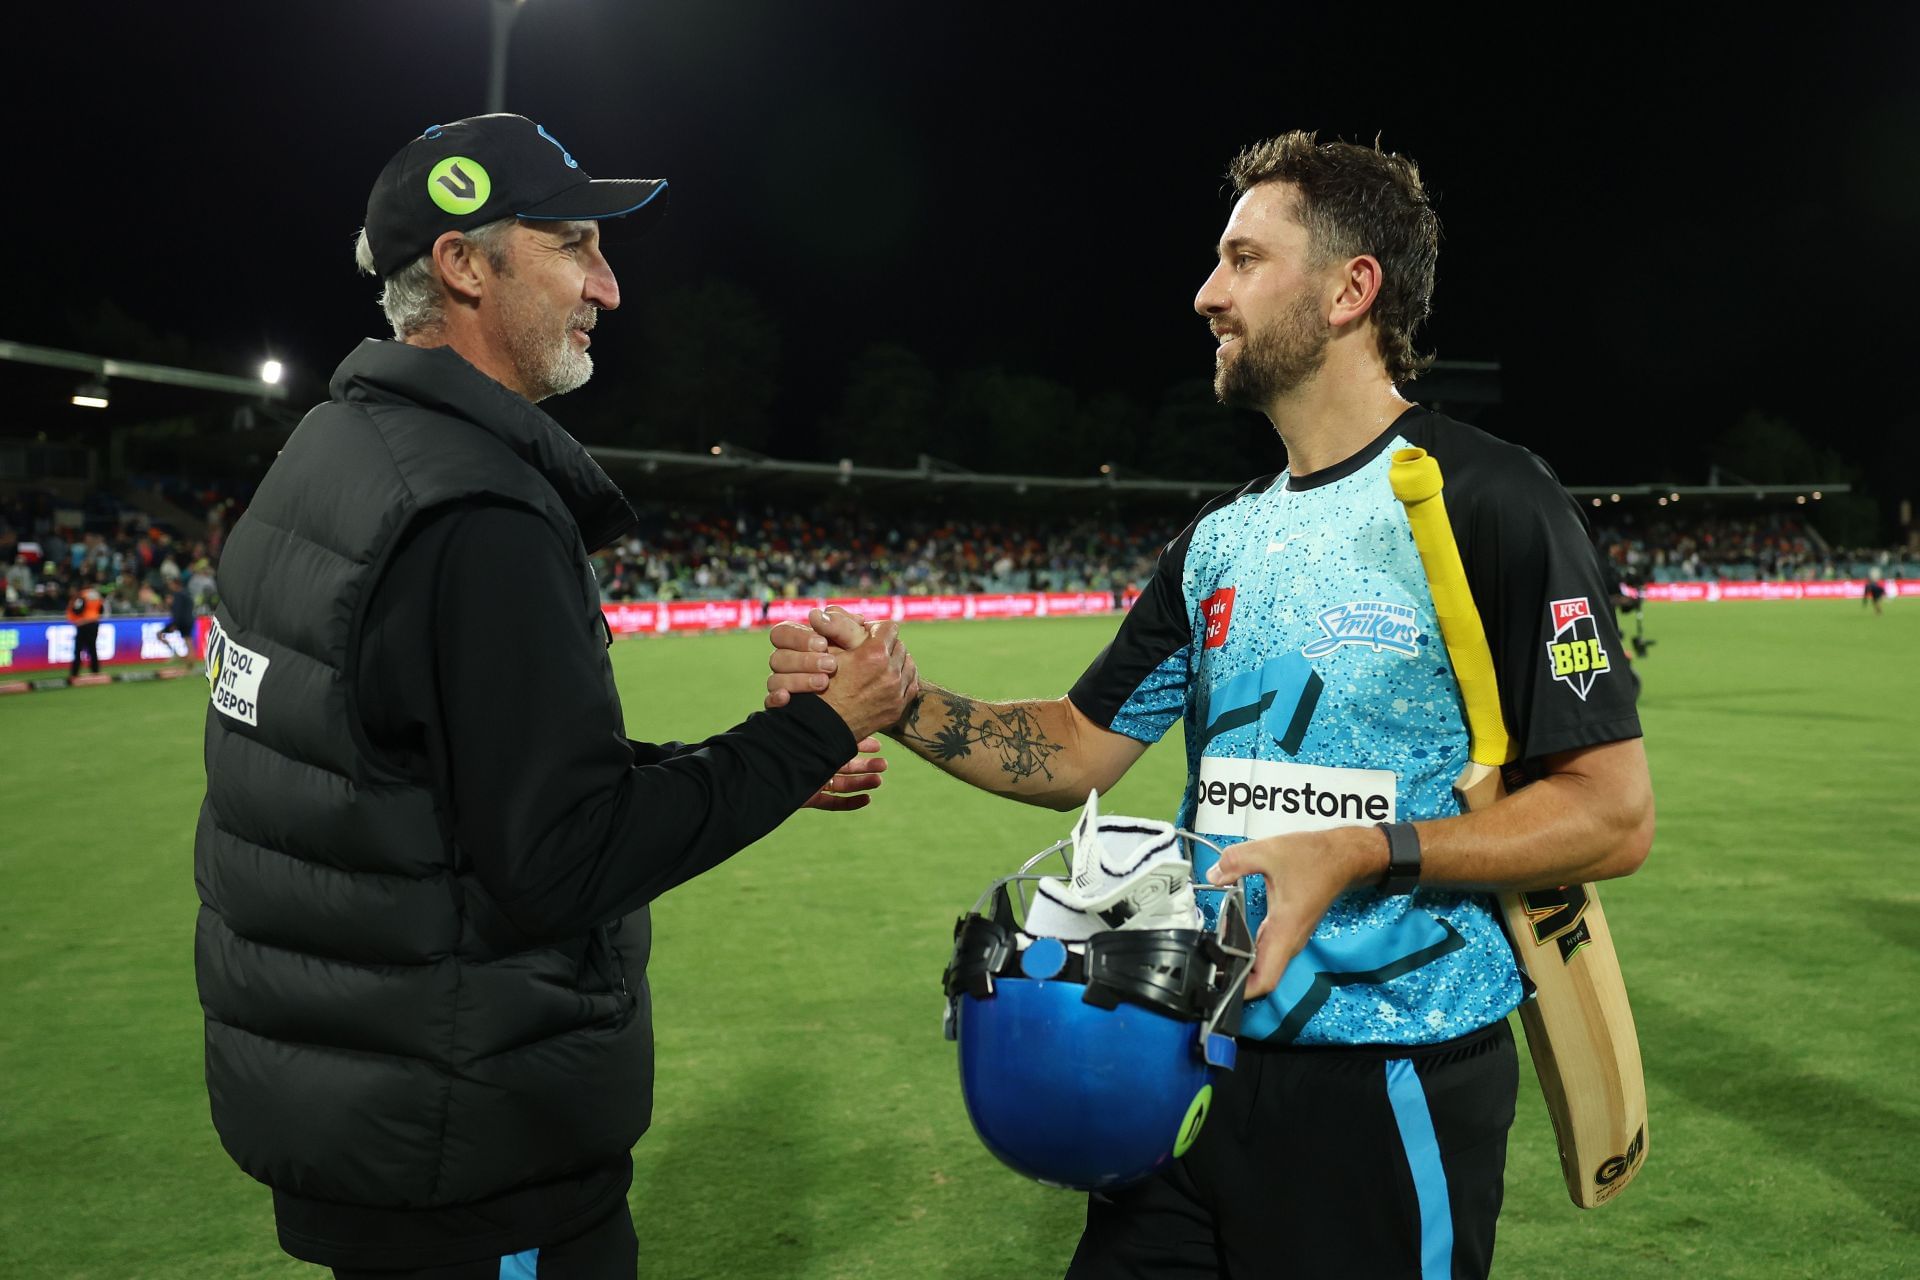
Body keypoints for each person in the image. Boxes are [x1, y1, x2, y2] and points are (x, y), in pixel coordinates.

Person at [768, 132, 1653, 1278]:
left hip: (1389, 1083)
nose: (1206, 293)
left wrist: (1355, 851)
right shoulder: (1218, 541)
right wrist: (899, 699)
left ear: (1350, 289)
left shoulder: (1488, 498)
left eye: (1243, 259)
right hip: (1189, 1064)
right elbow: (1081, 746)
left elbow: (1611, 812)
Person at [193, 113, 916, 1279]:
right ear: (464, 265)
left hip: (373, 1112)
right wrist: (823, 727)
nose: (610, 287)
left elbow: (473, 778)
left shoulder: (334, 451)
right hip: (471, 1138)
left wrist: (781, 758)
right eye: (575, 245)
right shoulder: (475, 514)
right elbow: (560, 856)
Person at [65, 575, 103, 679]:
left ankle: (75, 673)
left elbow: (77, 610)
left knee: (78, 649)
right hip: (94, 623)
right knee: (92, 648)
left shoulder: (81, 596)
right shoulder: (96, 594)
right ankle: (95, 671)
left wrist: (73, 617)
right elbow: (101, 609)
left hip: (83, 624)